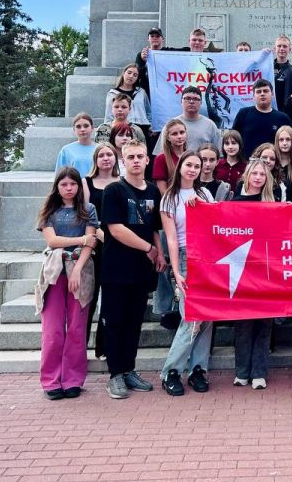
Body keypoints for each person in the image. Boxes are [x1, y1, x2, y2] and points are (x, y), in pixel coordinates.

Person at [99, 139, 163, 399]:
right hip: (116, 268)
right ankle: (115, 374)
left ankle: (128, 369)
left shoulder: (153, 191)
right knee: (115, 321)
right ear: (122, 161)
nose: (136, 161)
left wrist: (159, 252)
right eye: (131, 157)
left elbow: (155, 227)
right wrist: (148, 248)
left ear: (147, 160)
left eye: (140, 156)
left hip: (141, 270)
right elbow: (115, 229)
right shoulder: (114, 190)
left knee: (134, 322)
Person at [35, 167, 99, 400]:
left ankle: (72, 379)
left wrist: (77, 270)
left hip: (80, 271)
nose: (69, 188)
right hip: (54, 271)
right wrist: (81, 239)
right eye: (64, 184)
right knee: (52, 330)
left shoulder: (88, 209)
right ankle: (51, 380)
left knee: (76, 328)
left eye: (73, 184)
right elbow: (52, 241)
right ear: (57, 187)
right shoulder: (49, 211)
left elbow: (91, 243)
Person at [160, 151, 215, 396]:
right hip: (185, 256)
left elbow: (215, 225)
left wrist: (202, 208)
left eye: (197, 166)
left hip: (207, 257)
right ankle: (171, 371)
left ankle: (198, 369)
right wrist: (176, 271)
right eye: (189, 165)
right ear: (180, 166)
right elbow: (171, 238)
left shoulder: (204, 194)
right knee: (192, 317)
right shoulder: (169, 198)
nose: (193, 169)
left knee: (207, 317)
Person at [231, 159, 277, 389]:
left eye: (262, 174)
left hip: (266, 270)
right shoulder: (234, 203)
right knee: (243, 324)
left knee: (264, 324)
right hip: (241, 269)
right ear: (247, 175)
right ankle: (242, 372)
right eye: (255, 173)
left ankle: (259, 372)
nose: (258, 177)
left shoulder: (272, 204)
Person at [83, 142, 119, 359]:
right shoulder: (86, 182)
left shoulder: (122, 182)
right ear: (95, 160)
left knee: (110, 299)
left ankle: (103, 347)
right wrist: (98, 234)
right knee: (90, 297)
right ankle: (79, 347)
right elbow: (85, 214)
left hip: (117, 245)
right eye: (101, 155)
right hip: (95, 244)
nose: (106, 158)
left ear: (115, 158)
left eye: (109, 154)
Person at [232, 79, 292, 158]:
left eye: (265, 91)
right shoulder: (243, 114)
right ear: (253, 96)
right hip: (247, 163)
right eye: (258, 92)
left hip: (273, 163)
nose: (262, 94)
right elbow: (233, 138)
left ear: (272, 94)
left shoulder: (283, 118)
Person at [161, 85, 219, 153]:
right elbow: (161, 153)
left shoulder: (210, 125)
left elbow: (218, 153)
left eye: (195, 99)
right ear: (181, 101)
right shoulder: (170, 125)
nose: (191, 102)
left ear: (201, 103)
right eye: (187, 98)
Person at [103, 64, 152, 138]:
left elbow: (148, 111)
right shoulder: (112, 93)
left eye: (135, 75)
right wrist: (108, 129)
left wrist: (151, 125)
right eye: (129, 73)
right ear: (123, 73)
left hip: (143, 128)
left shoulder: (141, 92)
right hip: (124, 128)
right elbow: (109, 113)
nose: (131, 76)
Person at [55, 113, 97, 178]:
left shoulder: (99, 149)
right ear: (74, 129)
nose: (82, 129)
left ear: (92, 128)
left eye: (86, 126)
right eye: (78, 127)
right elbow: (59, 175)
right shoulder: (66, 150)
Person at [152, 119, 187, 193]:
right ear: (168, 137)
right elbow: (162, 190)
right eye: (174, 134)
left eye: (182, 132)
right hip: (170, 198)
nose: (179, 136)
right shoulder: (161, 158)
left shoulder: (191, 156)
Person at [135, 27, 166, 96]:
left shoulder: (168, 52)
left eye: (157, 36)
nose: (155, 38)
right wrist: (143, 61)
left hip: (164, 91)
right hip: (147, 92)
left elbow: (184, 52)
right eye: (152, 36)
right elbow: (137, 75)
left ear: (163, 39)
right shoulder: (141, 55)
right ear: (148, 39)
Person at [272, 35, 292, 110]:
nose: (281, 48)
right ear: (275, 49)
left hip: (286, 110)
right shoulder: (268, 68)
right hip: (269, 109)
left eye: (285, 46)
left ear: (289, 49)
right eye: (279, 46)